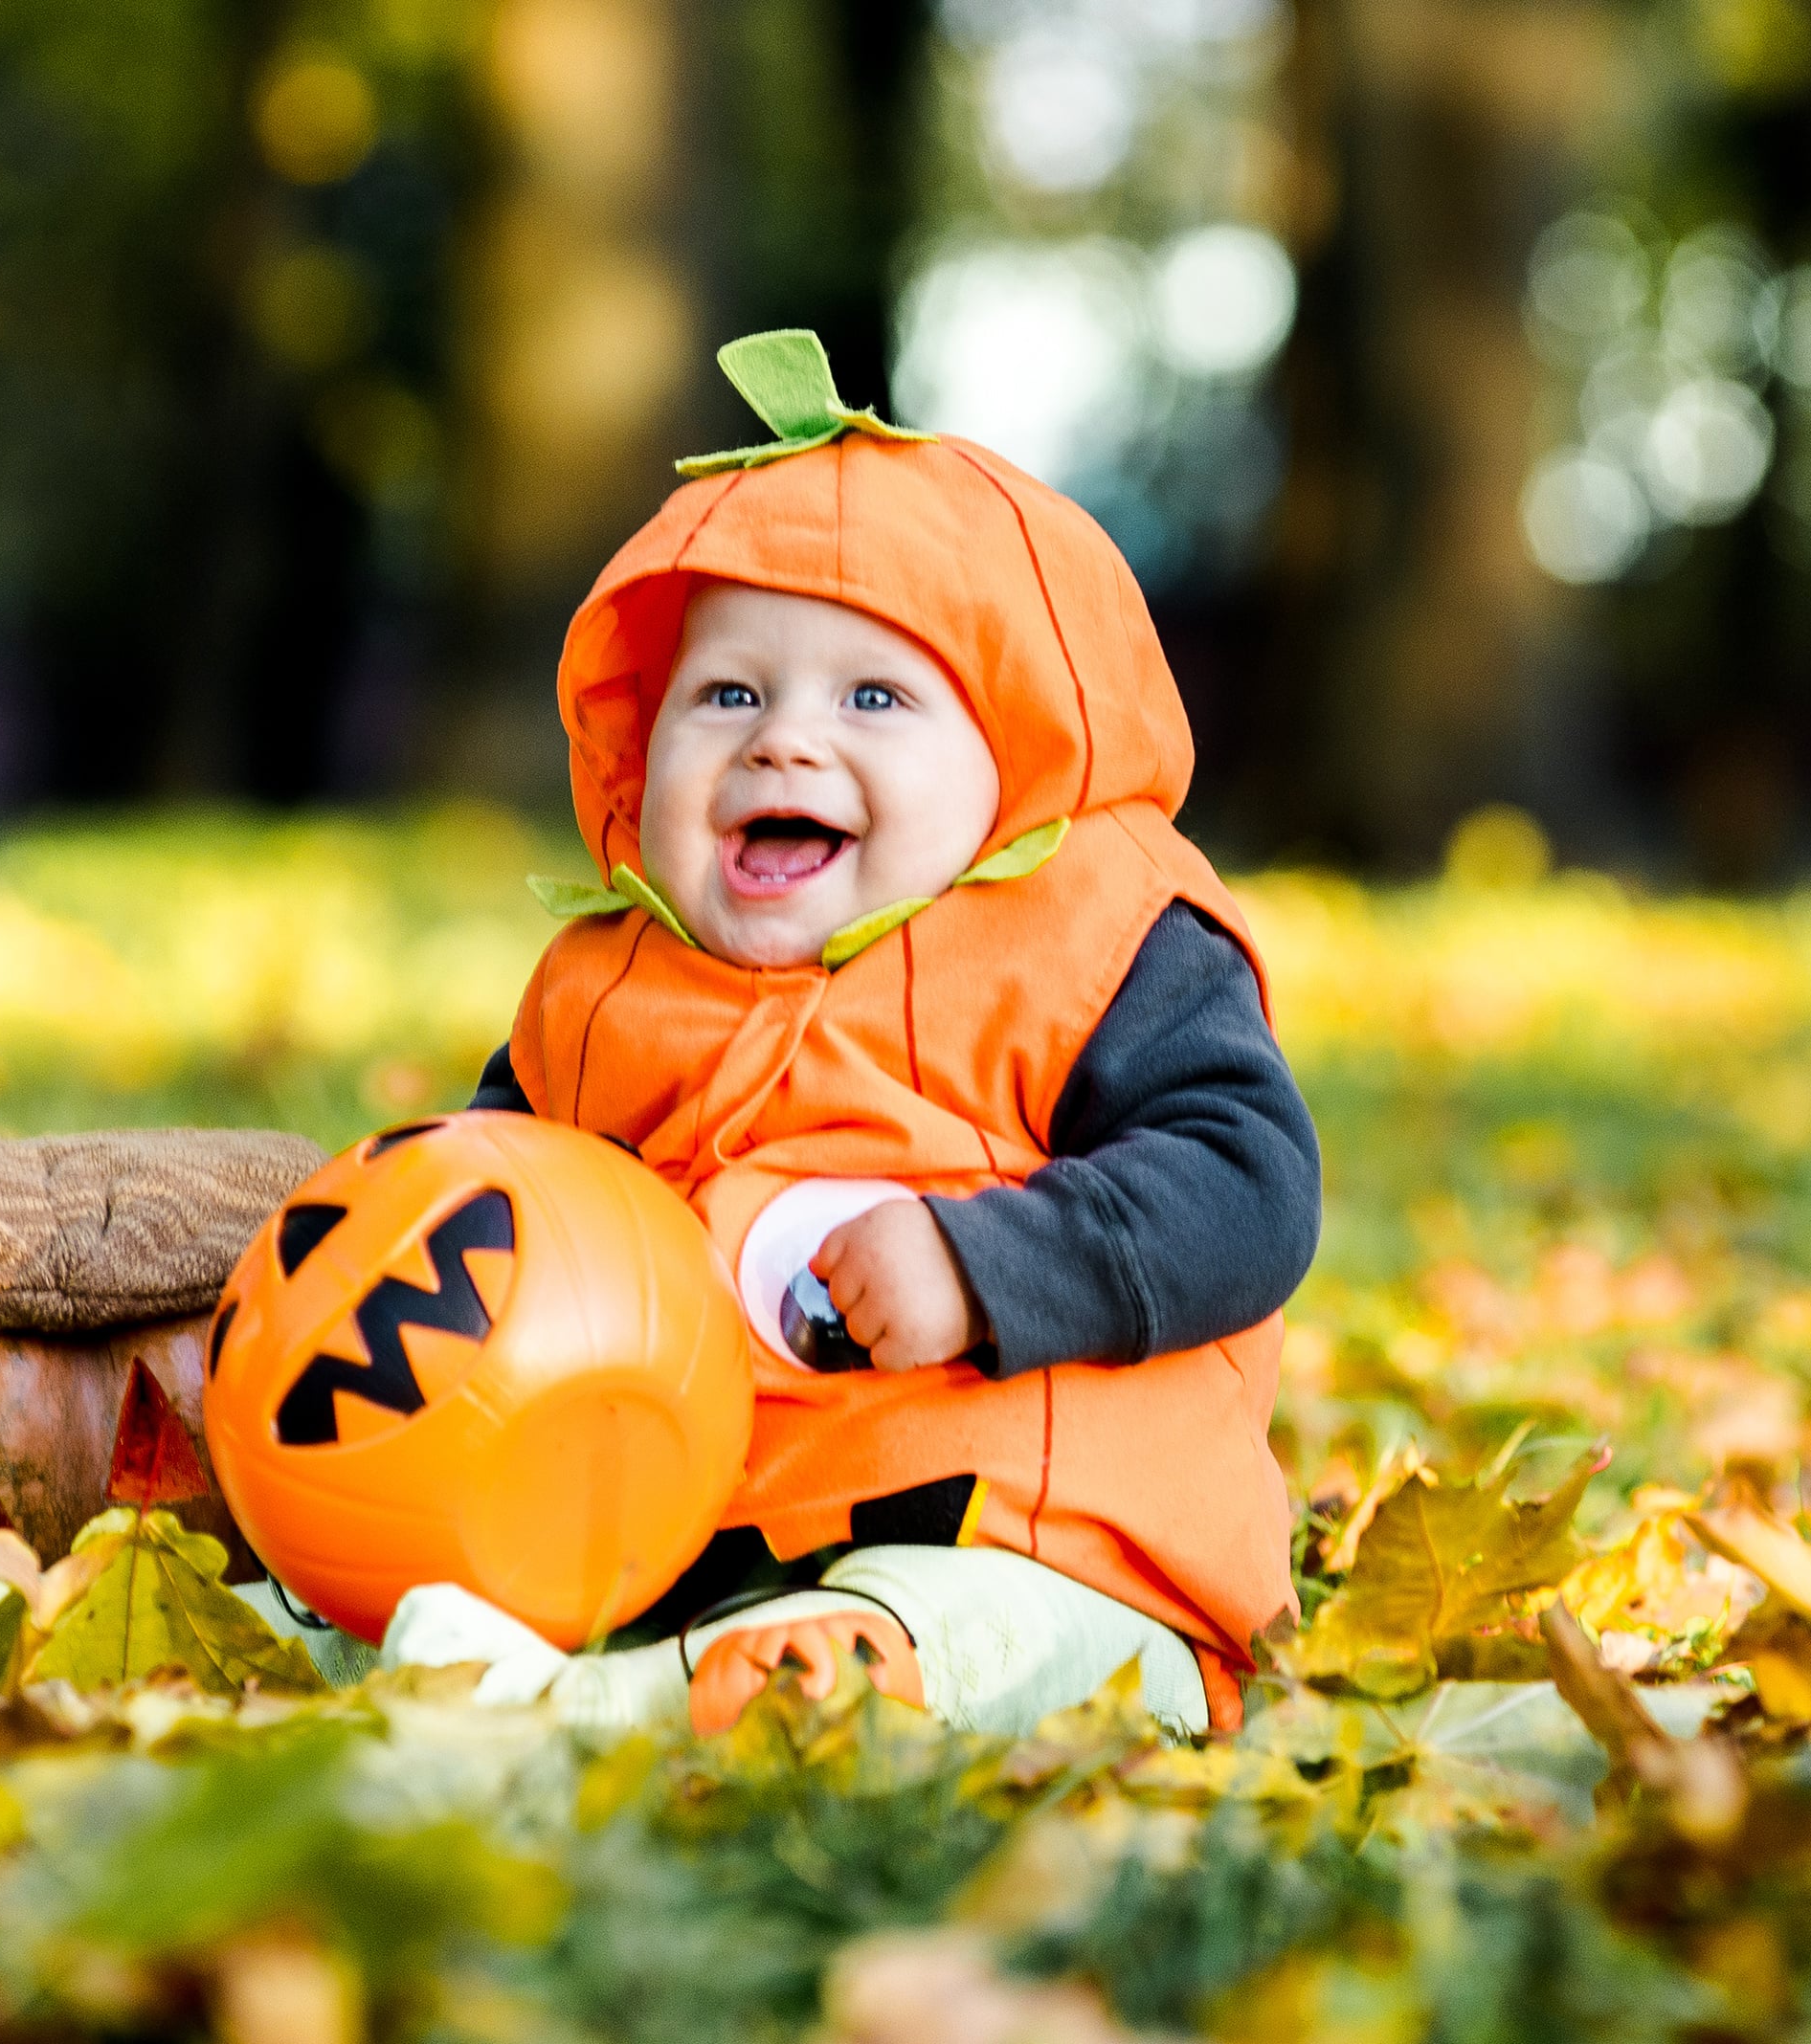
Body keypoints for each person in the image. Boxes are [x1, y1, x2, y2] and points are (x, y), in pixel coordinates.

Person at [372, 331, 1321, 1740]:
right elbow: (499, 1222)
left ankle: (665, 1706)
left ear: (1017, 752)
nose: (782, 743)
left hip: (1047, 1552)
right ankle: (65, 1600)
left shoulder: (1094, 945)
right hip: (693, 1541)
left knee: (943, 1632)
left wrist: (984, 1266)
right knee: (384, 1557)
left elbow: (1249, 1191)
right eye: (728, 694)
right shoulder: (605, 995)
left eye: (873, 698)